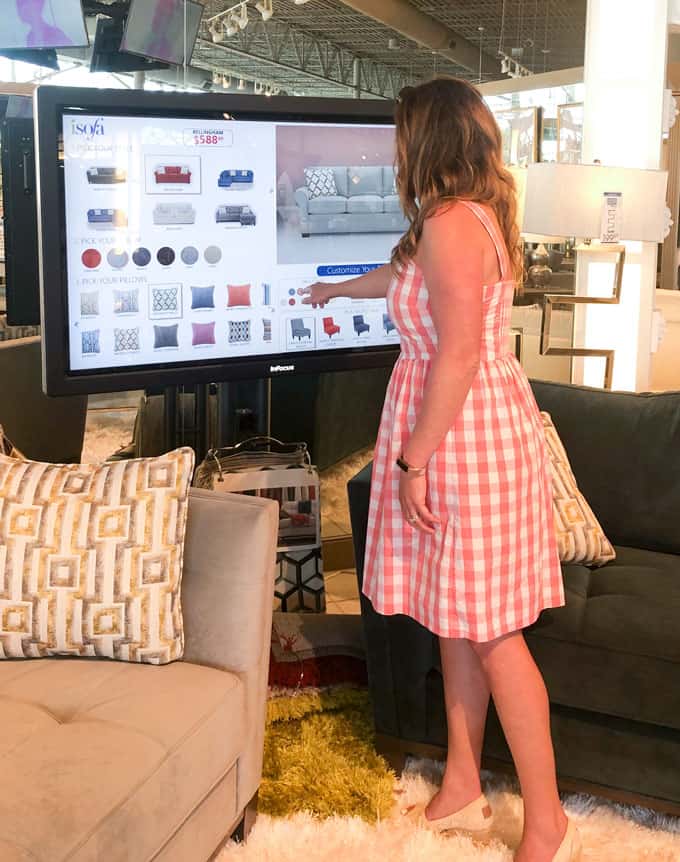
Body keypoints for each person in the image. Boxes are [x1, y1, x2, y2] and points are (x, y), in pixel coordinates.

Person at [301, 77, 580, 862]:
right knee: (459, 620)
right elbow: (401, 284)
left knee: (492, 634)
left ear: (425, 138)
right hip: (458, 427)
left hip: (462, 438)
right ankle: (463, 786)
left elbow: (457, 352)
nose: (393, 149)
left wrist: (413, 461)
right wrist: (334, 289)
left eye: (401, 135)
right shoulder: (452, 218)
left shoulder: (455, 223)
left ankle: (549, 820)